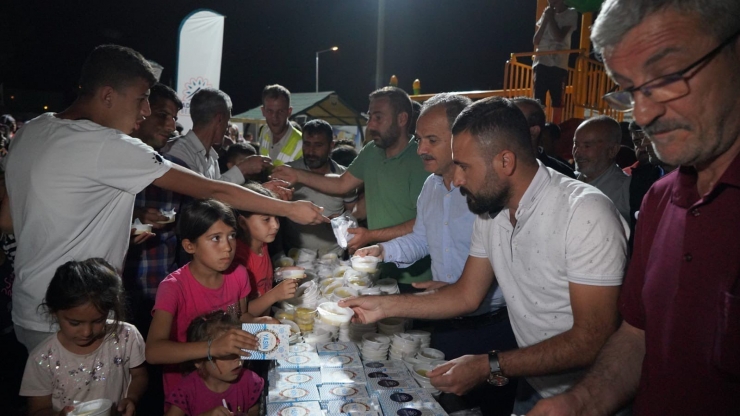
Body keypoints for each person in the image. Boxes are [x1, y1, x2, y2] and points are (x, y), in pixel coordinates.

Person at [0, 44, 326, 352]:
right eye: (142, 98)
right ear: (108, 96)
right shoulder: (108, 144)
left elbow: (9, 220)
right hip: (82, 315)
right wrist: (288, 208)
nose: (145, 111)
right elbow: (213, 190)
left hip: (30, 306)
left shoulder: (32, 130)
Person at [341, 97, 628, 414]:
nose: (458, 180)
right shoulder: (492, 212)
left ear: (505, 162)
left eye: (464, 167)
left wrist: (490, 364)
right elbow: (465, 295)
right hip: (534, 381)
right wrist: (382, 306)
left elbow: (592, 338)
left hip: (594, 394)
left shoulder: (585, 212)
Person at [529, 0, 740, 414]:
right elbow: (638, 334)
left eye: (667, 77)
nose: (643, 114)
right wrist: (581, 402)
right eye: (629, 89)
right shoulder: (661, 200)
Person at [355, 93, 518, 415]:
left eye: (432, 140)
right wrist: (382, 250)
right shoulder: (431, 186)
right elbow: (421, 239)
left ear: (461, 139)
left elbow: (514, 261)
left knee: (493, 407)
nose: (421, 150)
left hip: (494, 328)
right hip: (445, 325)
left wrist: (464, 289)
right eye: (419, 139)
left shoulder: (488, 191)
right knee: (444, 405)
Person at [272, 87, 432, 291]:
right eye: (370, 116)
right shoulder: (372, 151)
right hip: (376, 267)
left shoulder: (419, 160)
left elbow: (424, 223)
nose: (371, 125)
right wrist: (297, 174)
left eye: (378, 117)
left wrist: (371, 235)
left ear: (402, 119)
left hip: (414, 275)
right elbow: (341, 183)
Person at [144, 199, 277, 397]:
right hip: (190, 391)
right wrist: (212, 348)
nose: (228, 247)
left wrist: (260, 323)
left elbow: (239, 318)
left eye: (231, 236)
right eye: (216, 238)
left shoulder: (239, 274)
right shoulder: (173, 287)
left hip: (231, 378)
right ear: (190, 246)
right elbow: (153, 352)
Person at [20, 259, 147, 416]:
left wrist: (132, 398)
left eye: (98, 320)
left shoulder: (126, 336)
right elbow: (37, 410)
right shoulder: (42, 358)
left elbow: (139, 375)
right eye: (75, 323)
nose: (87, 332)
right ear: (54, 313)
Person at [122, 83, 185, 334]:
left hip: (163, 293)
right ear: (142, 111)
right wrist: (134, 218)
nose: (171, 126)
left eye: (174, 118)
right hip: (119, 293)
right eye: (162, 115)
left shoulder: (175, 168)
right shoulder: (110, 163)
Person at [165, 311, 264, 416]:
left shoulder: (249, 380)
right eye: (227, 355)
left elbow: (254, 410)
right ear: (199, 360)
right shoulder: (186, 390)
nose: (237, 359)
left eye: (240, 351)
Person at [166, 88, 272, 184]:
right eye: (227, 120)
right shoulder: (178, 152)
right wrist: (243, 168)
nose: (227, 128)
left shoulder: (211, 157)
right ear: (219, 119)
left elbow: (217, 194)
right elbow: (202, 193)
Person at [284, 119, 358, 256]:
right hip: (295, 256)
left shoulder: (345, 177)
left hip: (333, 258)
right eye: (307, 144)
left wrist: (341, 221)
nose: (311, 151)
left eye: (318, 145)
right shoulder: (288, 172)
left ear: (331, 146)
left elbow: (355, 212)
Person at [232, 182, 298, 317]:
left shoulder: (262, 244)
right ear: (243, 222)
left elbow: (260, 279)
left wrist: (279, 274)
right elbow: (240, 315)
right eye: (266, 219)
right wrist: (275, 295)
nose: (275, 226)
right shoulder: (238, 259)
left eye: (276, 218)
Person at [573, 115, 631, 222]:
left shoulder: (626, 190)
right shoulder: (569, 179)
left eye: (587, 146)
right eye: (575, 144)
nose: (577, 152)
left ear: (612, 150)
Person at [532, 0, 578, 124]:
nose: (551, 2)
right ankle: (538, 125)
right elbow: (536, 40)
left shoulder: (571, 13)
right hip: (541, 61)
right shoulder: (546, 13)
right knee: (538, 100)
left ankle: (555, 127)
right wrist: (546, 18)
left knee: (557, 100)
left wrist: (551, 18)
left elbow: (559, 37)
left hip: (559, 63)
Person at [512, 97, 575, 178]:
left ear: (533, 131)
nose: (504, 126)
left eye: (513, 122)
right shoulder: (495, 165)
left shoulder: (562, 175)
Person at [257, 84, 303, 165]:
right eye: (270, 111)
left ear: (289, 111)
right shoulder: (264, 130)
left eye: (280, 111)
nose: (275, 117)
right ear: (263, 111)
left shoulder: (302, 143)